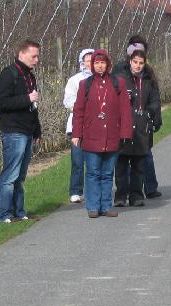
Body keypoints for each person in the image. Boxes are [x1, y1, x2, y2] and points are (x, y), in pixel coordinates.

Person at [72, 49, 132, 218]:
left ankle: (106, 206)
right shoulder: (86, 84)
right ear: (92, 65)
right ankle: (92, 207)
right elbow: (79, 111)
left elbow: (125, 110)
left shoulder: (117, 83)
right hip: (92, 136)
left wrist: (125, 133)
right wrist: (77, 134)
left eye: (102, 63)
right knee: (92, 173)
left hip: (112, 136)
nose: (99, 66)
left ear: (108, 64)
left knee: (107, 174)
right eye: (96, 63)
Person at [0, 39, 42, 223]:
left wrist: (37, 130)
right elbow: (2, 103)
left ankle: (19, 211)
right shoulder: (9, 74)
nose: (37, 60)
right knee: (10, 175)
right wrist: (27, 98)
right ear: (21, 54)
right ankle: (4, 214)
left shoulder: (30, 76)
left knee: (20, 176)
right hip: (13, 131)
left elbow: (33, 106)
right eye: (34, 56)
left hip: (27, 131)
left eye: (38, 56)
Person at [113, 34, 162, 199]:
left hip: (142, 125)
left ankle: (142, 192)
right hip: (124, 124)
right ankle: (121, 195)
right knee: (122, 163)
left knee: (142, 161)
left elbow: (155, 99)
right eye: (135, 61)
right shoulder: (120, 72)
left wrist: (153, 117)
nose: (138, 65)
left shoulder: (149, 76)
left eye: (141, 62)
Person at [63, 48, 94, 204]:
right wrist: (84, 107)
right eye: (87, 60)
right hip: (77, 125)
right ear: (82, 62)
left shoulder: (102, 79)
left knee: (93, 161)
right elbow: (68, 101)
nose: (89, 63)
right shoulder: (74, 80)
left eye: (92, 60)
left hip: (95, 125)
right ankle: (75, 191)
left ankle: (92, 190)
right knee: (77, 160)